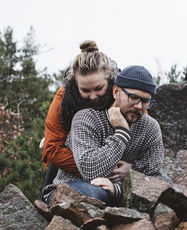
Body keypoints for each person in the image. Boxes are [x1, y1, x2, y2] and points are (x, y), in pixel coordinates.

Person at [44, 65, 164, 206]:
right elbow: (91, 171)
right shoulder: (86, 118)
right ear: (116, 92)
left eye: (145, 101)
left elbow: (155, 178)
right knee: (94, 193)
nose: (139, 106)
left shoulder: (151, 127)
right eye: (133, 98)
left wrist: (118, 188)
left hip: (113, 191)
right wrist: (122, 132)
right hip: (72, 185)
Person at [41, 40, 131, 201]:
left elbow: (143, 132)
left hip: (116, 160)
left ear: (110, 80)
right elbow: (52, 149)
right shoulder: (63, 99)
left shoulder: (126, 93)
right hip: (68, 166)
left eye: (98, 88)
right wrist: (97, 166)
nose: (93, 96)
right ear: (75, 84)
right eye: (85, 90)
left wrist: (131, 168)